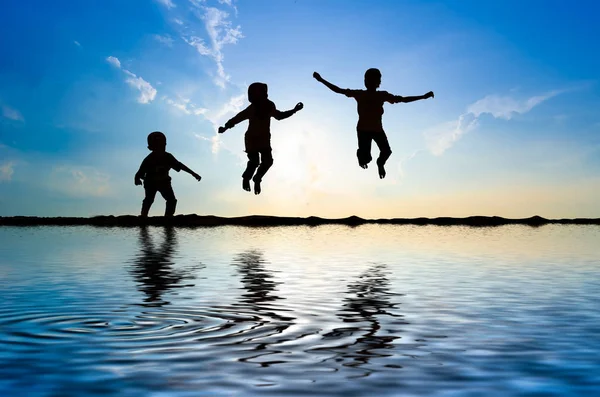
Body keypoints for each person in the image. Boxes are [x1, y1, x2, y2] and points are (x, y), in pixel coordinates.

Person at [313, 69, 434, 178]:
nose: (375, 82)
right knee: (367, 158)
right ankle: (362, 155)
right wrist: (321, 80)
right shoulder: (360, 94)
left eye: (377, 80)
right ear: (367, 81)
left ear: (377, 82)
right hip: (363, 130)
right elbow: (338, 90)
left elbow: (402, 99)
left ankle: (379, 163)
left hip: (377, 130)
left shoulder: (382, 95)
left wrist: (423, 97)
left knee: (386, 151)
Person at [218, 82, 303, 195]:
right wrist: (226, 127)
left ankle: (257, 178)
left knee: (267, 161)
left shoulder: (269, 106)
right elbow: (238, 118)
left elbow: (279, 116)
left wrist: (294, 110)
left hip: (264, 139)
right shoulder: (252, 108)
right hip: (252, 139)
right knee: (254, 161)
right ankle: (247, 178)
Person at [134, 131, 201, 217]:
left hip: (164, 182)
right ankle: (144, 216)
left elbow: (180, 166)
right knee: (149, 199)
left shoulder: (168, 157)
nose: (161, 148)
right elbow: (139, 172)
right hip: (151, 182)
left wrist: (193, 174)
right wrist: (137, 179)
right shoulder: (149, 159)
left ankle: (168, 217)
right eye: (158, 146)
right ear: (151, 147)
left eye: (162, 145)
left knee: (171, 200)